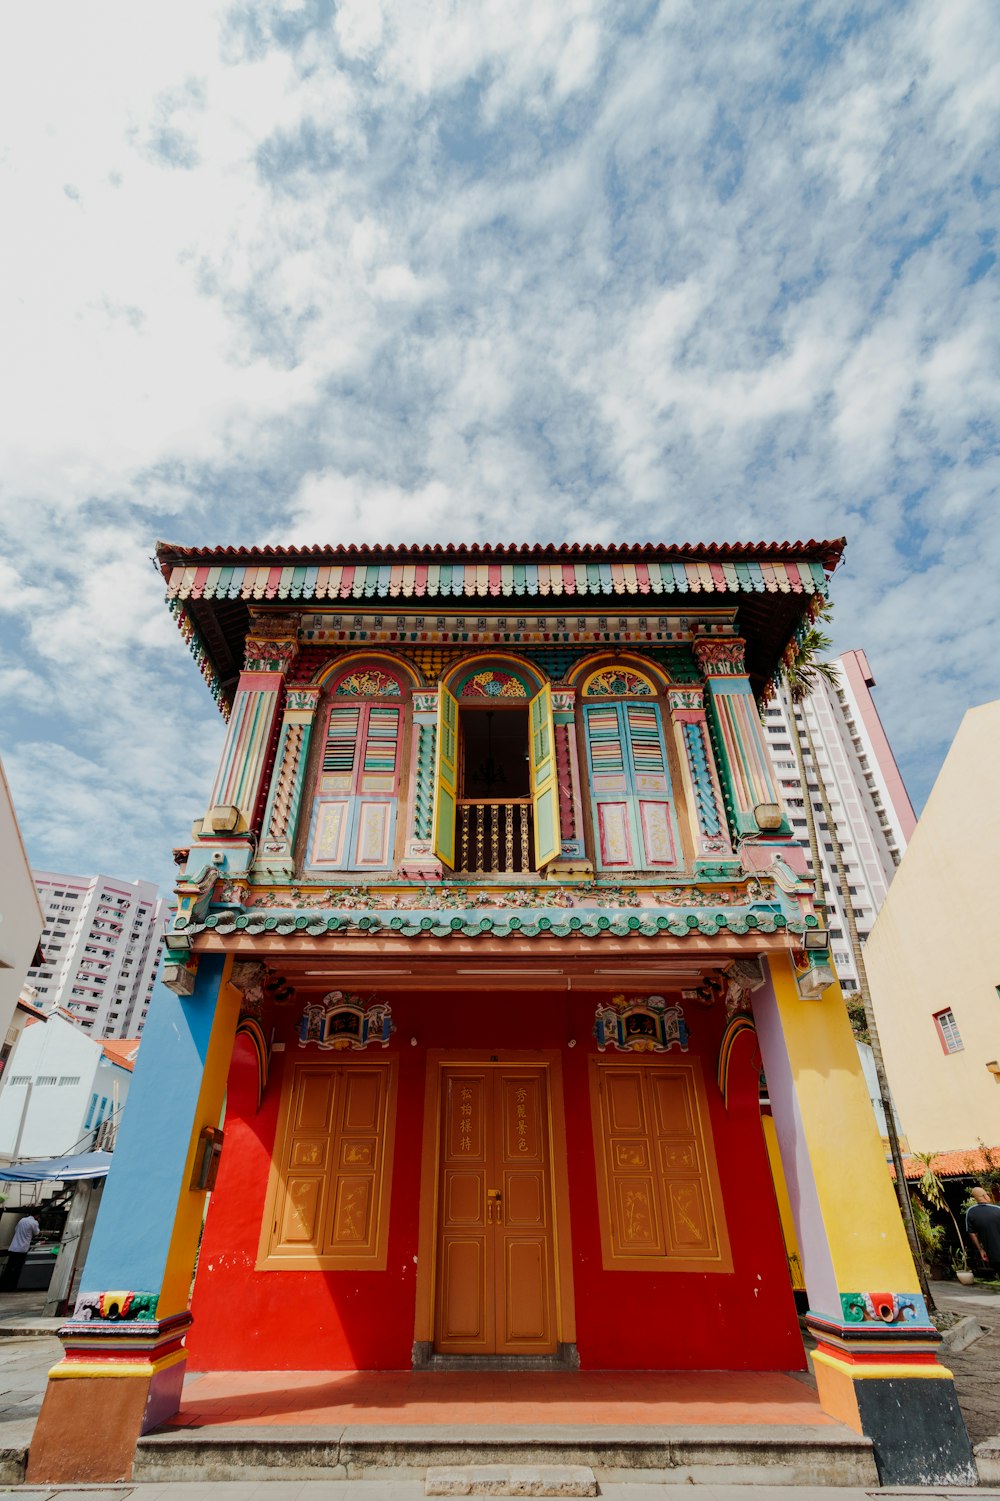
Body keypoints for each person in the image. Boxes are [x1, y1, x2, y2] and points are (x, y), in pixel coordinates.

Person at [0, 1209, 40, 1291]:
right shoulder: (34, 1222)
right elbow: (37, 1233)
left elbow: (16, 1229)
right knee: (17, 1269)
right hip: (22, 1249)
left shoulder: (22, 1220)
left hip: (13, 1247)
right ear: (37, 1216)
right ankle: (13, 1286)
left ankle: (3, 1286)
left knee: (9, 1267)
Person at [965, 1186, 1000, 1277]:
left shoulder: (970, 1212)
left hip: (992, 1254)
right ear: (985, 1196)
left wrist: (981, 1250)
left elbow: (972, 1233)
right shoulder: (997, 1210)